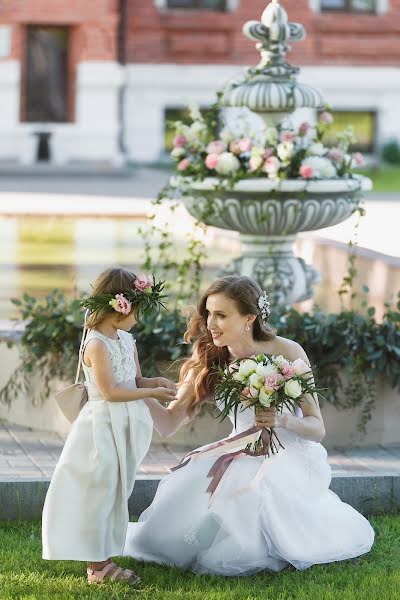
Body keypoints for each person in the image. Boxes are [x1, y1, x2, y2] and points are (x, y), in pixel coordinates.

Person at [124, 275, 375, 576]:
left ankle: (248, 542)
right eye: (208, 314)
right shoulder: (208, 361)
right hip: (237, 450)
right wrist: (133, 388)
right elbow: (167, 424)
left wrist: (282, 420)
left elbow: (317, 428)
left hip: (290, 453)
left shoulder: (288, 352)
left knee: (253, 485)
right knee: (188, 487)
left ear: (249, 318)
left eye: (220, 315)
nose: (210, 324)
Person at [42, 267, 177, 585]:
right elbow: (112, 392)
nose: (138, 320)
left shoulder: (126, 339)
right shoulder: (96, 345)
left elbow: (135, 379)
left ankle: (103, 556)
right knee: (100, 490)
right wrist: (153, 393)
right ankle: (98, 567)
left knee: (118, 490)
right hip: (103, 427)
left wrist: (153, 381)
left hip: (128, 425)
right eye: (137, 312)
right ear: (121, 306)